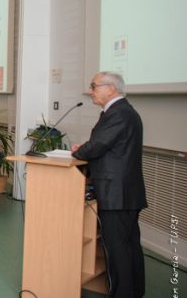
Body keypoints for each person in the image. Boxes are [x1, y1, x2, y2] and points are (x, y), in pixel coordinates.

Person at [71, 72, 146, 298]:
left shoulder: (119, 113)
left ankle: (123, 294)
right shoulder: (122, 112)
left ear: (111, 88)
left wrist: (80, 150)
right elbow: (108, 145)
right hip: (124, 191)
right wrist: (89, 146)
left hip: (117, 193)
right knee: (129, 245)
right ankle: (133, 291)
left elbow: (98, 145)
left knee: (118, 248)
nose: (91, 91)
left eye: (94, 86)